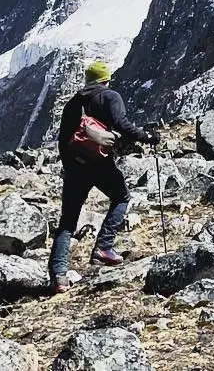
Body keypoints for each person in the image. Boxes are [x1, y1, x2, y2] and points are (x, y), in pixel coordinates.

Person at [48, 60, 158, 293]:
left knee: (67, 222)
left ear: (88, 80)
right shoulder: (109, 96)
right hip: (100, 163)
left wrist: (70, 165)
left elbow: (63, 139)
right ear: (106, 79)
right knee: (121, 197)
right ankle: (103, 248)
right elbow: (122, 124)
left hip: (76, 167)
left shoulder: (74, 103)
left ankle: (59, 276)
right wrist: (147, 137)